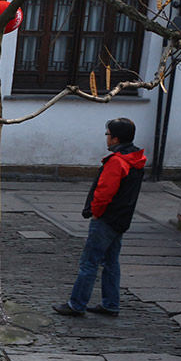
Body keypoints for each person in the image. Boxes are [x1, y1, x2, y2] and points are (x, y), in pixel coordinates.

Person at [53, 118, 146, 317]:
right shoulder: (135, 160)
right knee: (111, 262)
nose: (106, 138)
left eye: (108, 134)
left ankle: (76, 304)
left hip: (106, 219)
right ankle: (110, 303)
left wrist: (95, 212)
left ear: (115, 138)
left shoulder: (117, 162)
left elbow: (104, 192)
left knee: (89, 263)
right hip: (121, 218)